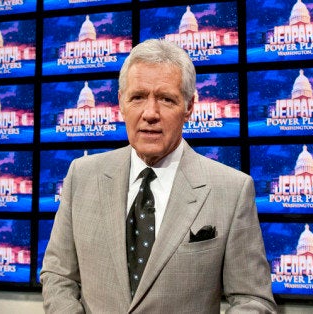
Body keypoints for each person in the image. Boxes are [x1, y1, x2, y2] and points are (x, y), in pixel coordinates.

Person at [40, 39, 277, 313]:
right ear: (121, 103)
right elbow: (58, 275)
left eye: (166, 99)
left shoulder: (232, 190)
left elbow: (253, 300)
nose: (150, 114)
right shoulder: (81, 175)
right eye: (138, 97)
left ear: (189, 107)